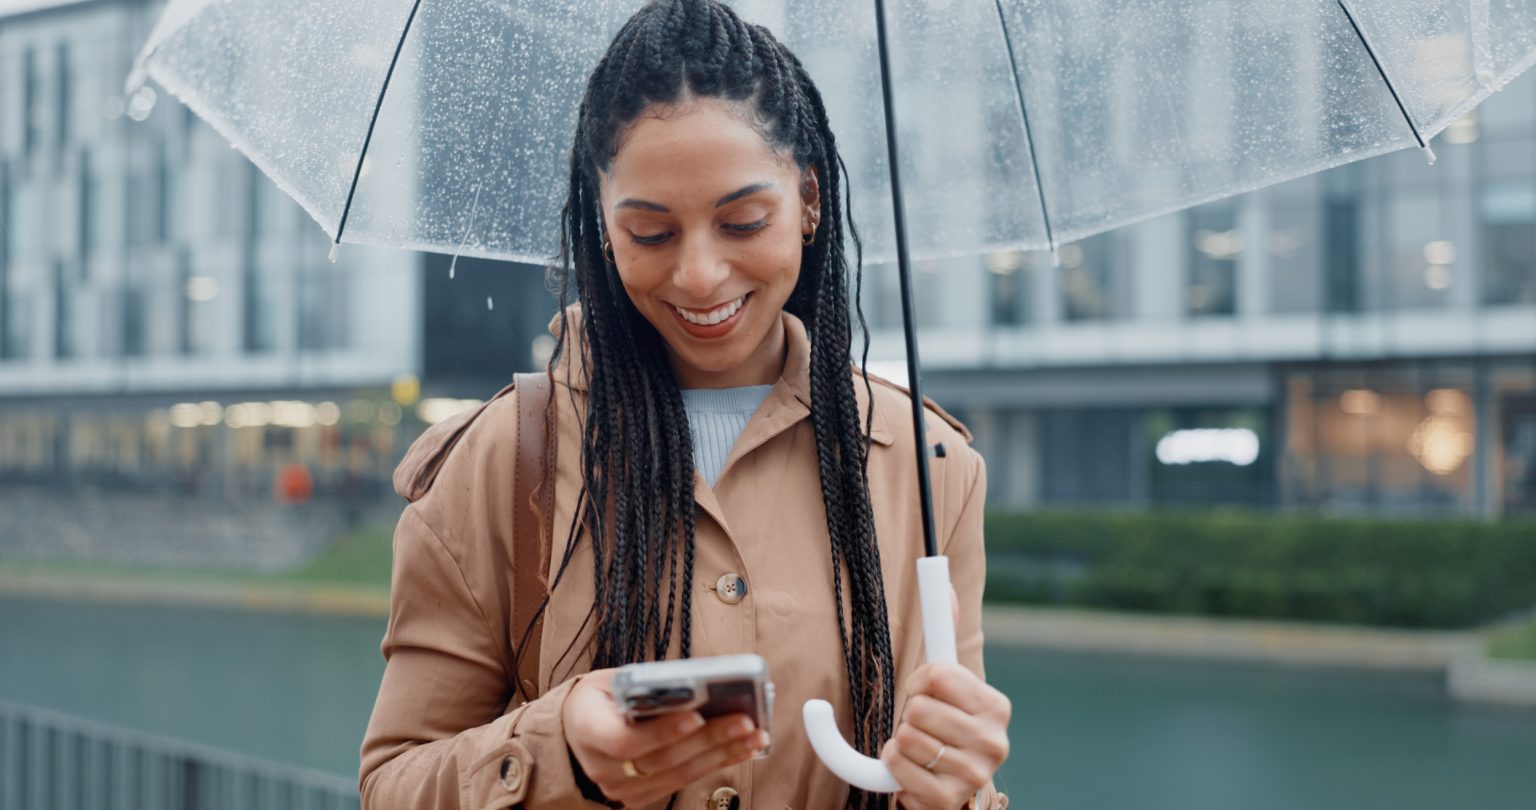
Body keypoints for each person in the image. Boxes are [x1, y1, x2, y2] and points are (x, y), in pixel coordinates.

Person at [358, 1, 1010, 808]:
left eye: (742, 221)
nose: (700, 276)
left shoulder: (928, 466)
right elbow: (391, 786)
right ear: (602, 227)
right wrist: (560, 748)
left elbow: (958, 776)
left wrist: (958, 788)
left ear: (809, 200)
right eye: (651, 234)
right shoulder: (497, 462)